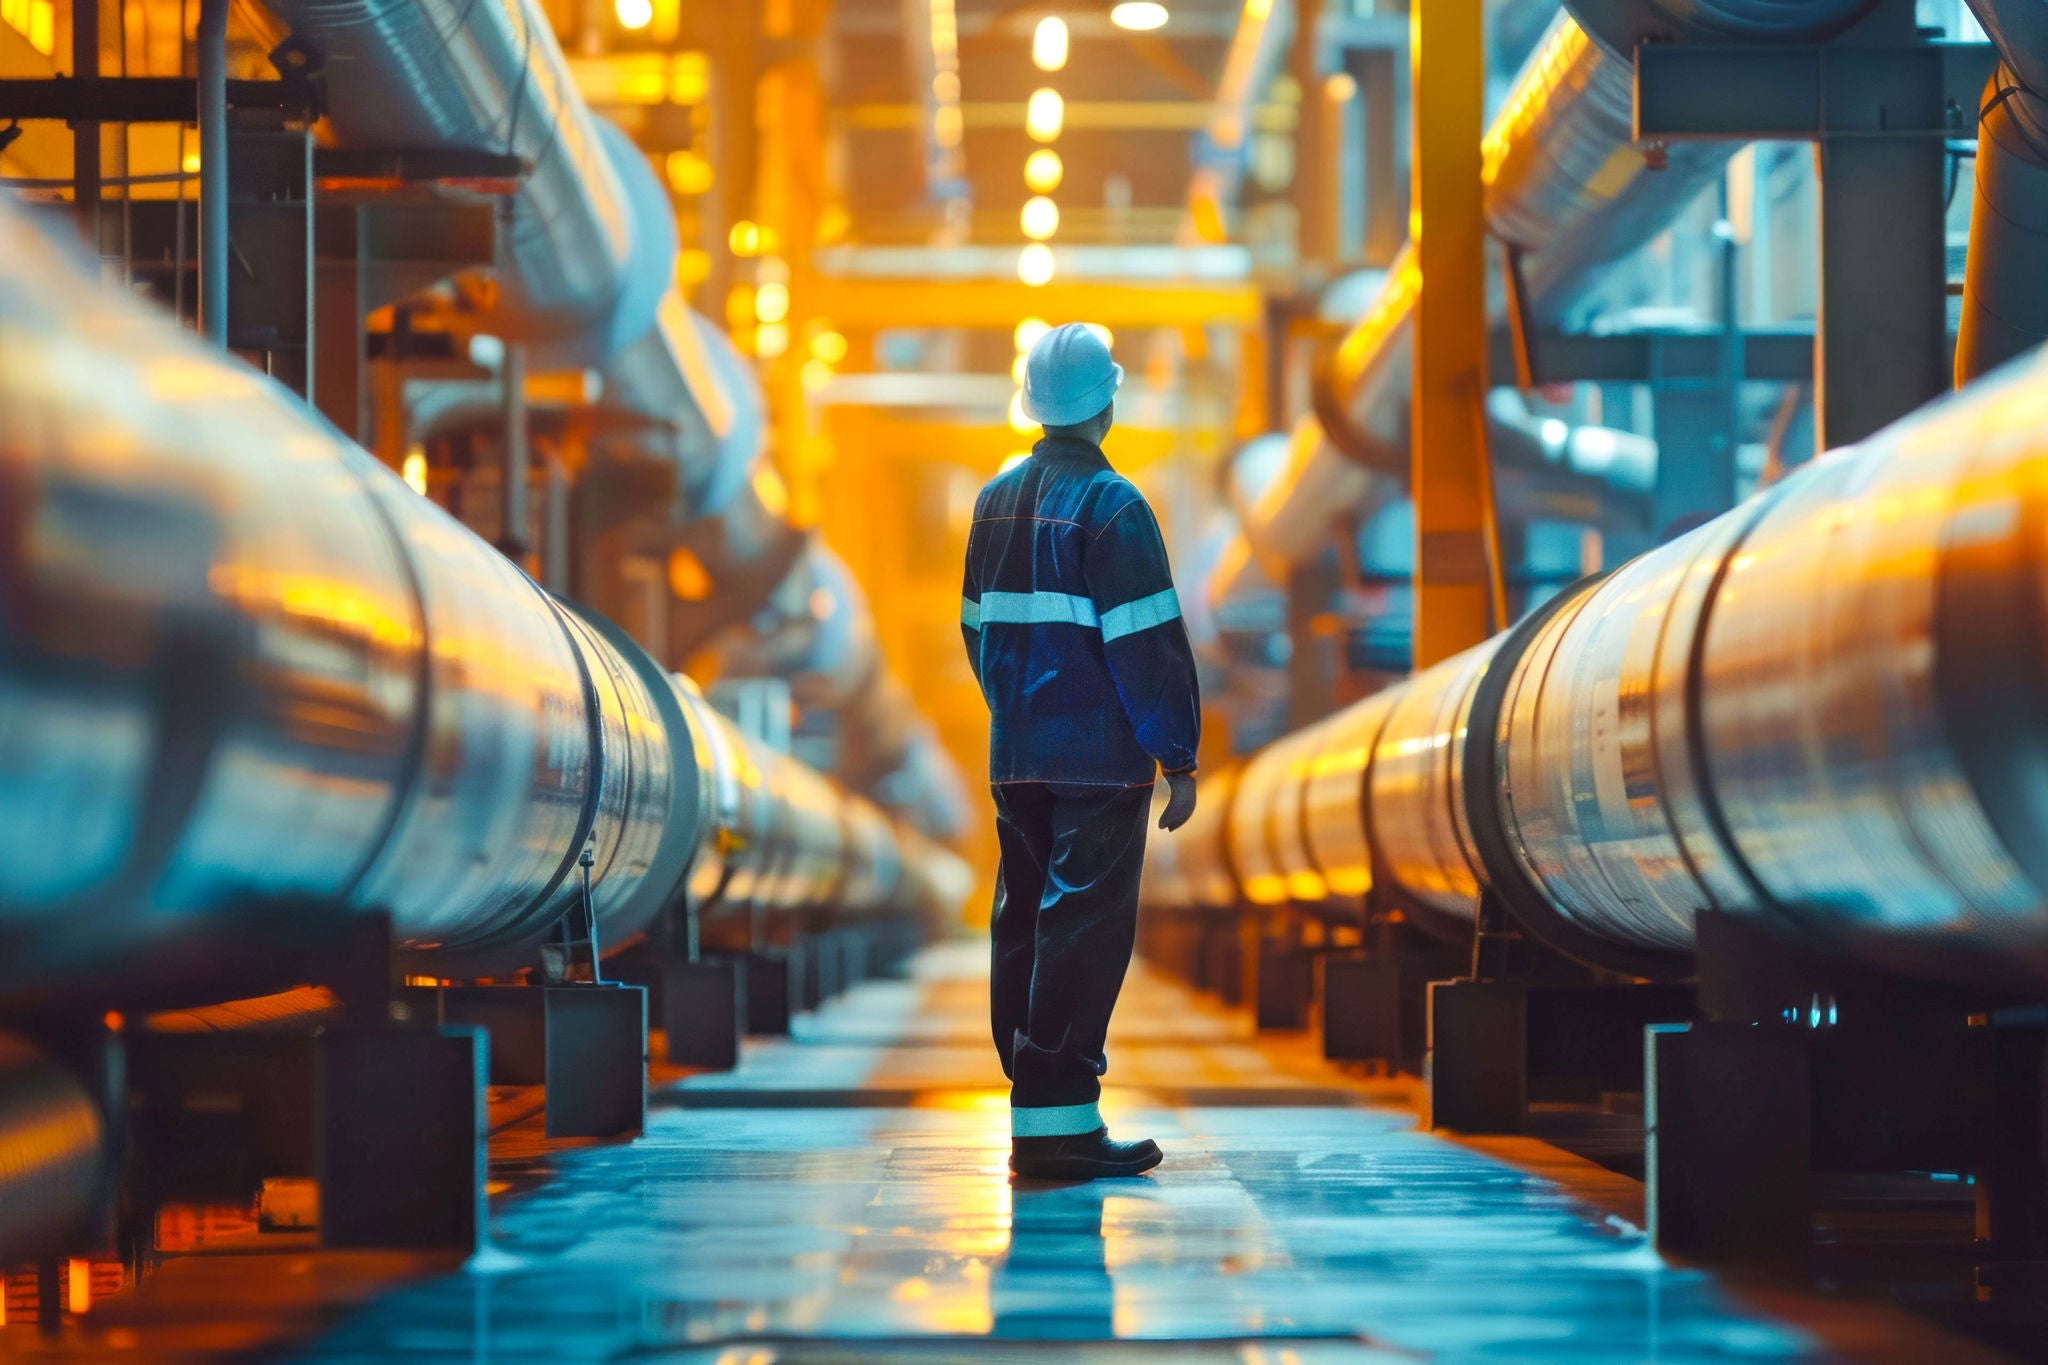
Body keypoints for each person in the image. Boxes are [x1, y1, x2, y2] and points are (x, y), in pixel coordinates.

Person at [960, 321, 1201, 1181]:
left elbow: (976, 631)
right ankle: (1058, 1122)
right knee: (1082, 927)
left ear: (1033, 404)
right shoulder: (1114, 507)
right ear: (1107, 404)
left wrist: (1015, 711)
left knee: (1024, 917)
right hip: (1099, 760)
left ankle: (1038, 1108)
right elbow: (1148, 645)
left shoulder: (993, 504)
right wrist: (1177, 756)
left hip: (1017, 754)